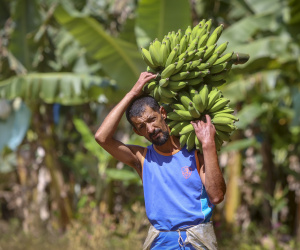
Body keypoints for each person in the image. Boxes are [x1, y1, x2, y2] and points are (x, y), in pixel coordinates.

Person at [95, 72, 226, 250]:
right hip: (161, 242)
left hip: (196, 241)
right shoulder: (141, 158)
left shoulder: (195, 152)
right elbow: (102, 138)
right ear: (137, 132)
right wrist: (132, 93)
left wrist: (208, 144)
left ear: (162, 113)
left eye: (152, 119)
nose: (150, 128)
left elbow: (217, 196)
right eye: (142, 126)